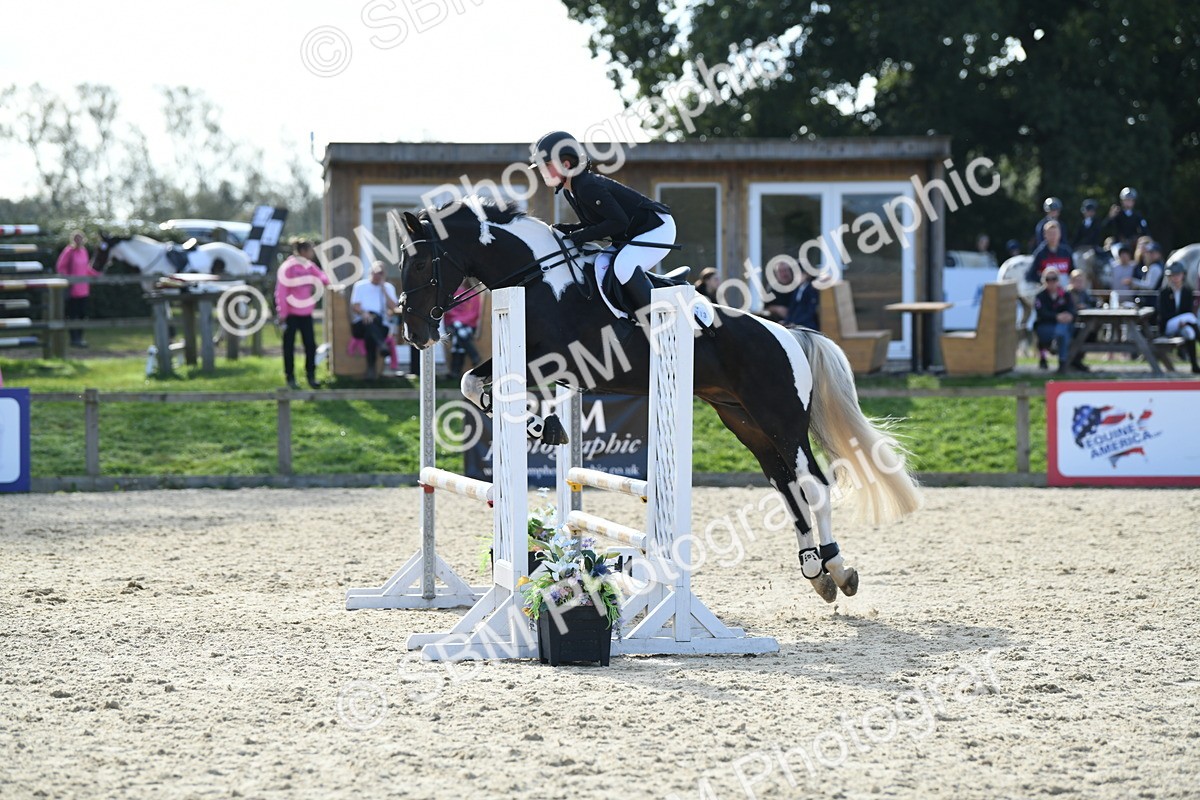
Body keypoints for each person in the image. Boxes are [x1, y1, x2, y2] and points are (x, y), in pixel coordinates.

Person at [530, 130, 675, 318]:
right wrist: (572, 229)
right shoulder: (572, 190)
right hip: (633, 233)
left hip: (656, 228)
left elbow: (618, 222)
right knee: (602, 264)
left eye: (546, 165)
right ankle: (627, 315)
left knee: (623, 267)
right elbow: (595, 222)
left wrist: (580, 236)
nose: (542, 171)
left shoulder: (587, 186)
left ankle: (661, 319)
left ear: (565, 164)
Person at [274, 239, 330, 389]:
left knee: (310, 345)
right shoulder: (288, 267)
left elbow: (322, 277)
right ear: (304, 251)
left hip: (306, 314)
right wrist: (283, 313)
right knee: (289, 347)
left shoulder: (309, 266)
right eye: (311, 250)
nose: (312, 253)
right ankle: (290, 377)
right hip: (290, 315)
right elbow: (281, 292)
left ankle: (311, 376)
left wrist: (327, 282)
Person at [350, 261, 400, 380]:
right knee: (370, 321)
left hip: (380, 325)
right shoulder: (360, 286)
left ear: (385, 274)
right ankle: (381, 345)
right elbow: (355, 306)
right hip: (360, 324)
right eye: (375, 272)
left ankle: (371, 369)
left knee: (370, 332)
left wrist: (383, 289)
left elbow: (394, 307)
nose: (377, 275)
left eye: (380, 273)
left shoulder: (388, 288)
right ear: (370, 272)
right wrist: (364, 313)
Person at [54, 230, 102, 348]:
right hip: (73, 289)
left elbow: (85, 268)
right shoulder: (69, 251)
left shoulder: (84, 251)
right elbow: (60, 267)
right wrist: (69, 279)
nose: (78, 240)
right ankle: (74, 339)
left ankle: (80, 338)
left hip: (84, 289)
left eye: (80, 238)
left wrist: (96, 274)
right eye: (76, 238)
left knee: (82, 314)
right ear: (73, 239)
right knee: (73, 314)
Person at [1157, 264, 1200, 373]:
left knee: (1190, 333)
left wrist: (1184, 323)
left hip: (1185, 323)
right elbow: (1163, 313)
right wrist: (1181, 321)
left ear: (1183, 275)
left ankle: (1194, 365)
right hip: (1168, 325)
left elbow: (1187, 309)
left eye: (1178, 275)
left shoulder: (1187, 291)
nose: (1175, 278)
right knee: (1191, 318)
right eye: (1172, 275)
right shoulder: (1164, 292)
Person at [1033, 270, 1077, 373]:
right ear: (1044, 281)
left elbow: (1072, 309)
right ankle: (1063, 362)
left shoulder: (1065, 294)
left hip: (1063, 326)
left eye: (1054, 279)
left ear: (1058, 280)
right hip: (1045, 326)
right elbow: (1042, 313)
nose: (1051, 282)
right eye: (1048, 279)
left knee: (1063, 331)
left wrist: (1069, 315)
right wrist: (1056, 316)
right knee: (1062, 332)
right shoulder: (1040, 296)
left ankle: (1062, 361)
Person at [443, 278, 483, 377]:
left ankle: (455, 372)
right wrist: (457, 320)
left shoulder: (473, 294)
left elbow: (474, 313)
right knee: (459, 330)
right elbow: (449, 312)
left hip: (468, 325)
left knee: (458, 339)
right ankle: (474, 355)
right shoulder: (453, 294)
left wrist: (460, 320)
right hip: (453, 325)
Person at [1067, 269, 1098, 372]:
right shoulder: (1067, 294)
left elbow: (1091, 304)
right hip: (1071, 324)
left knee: (1092, 332)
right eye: (1077, 281)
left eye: (1081, 281)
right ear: (1071, 281)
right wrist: (1076, 308)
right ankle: (1073, 362)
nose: (1079, 283)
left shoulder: (1084, 293)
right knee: (1084, 332)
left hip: (1082, 323)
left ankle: (1077, 361)